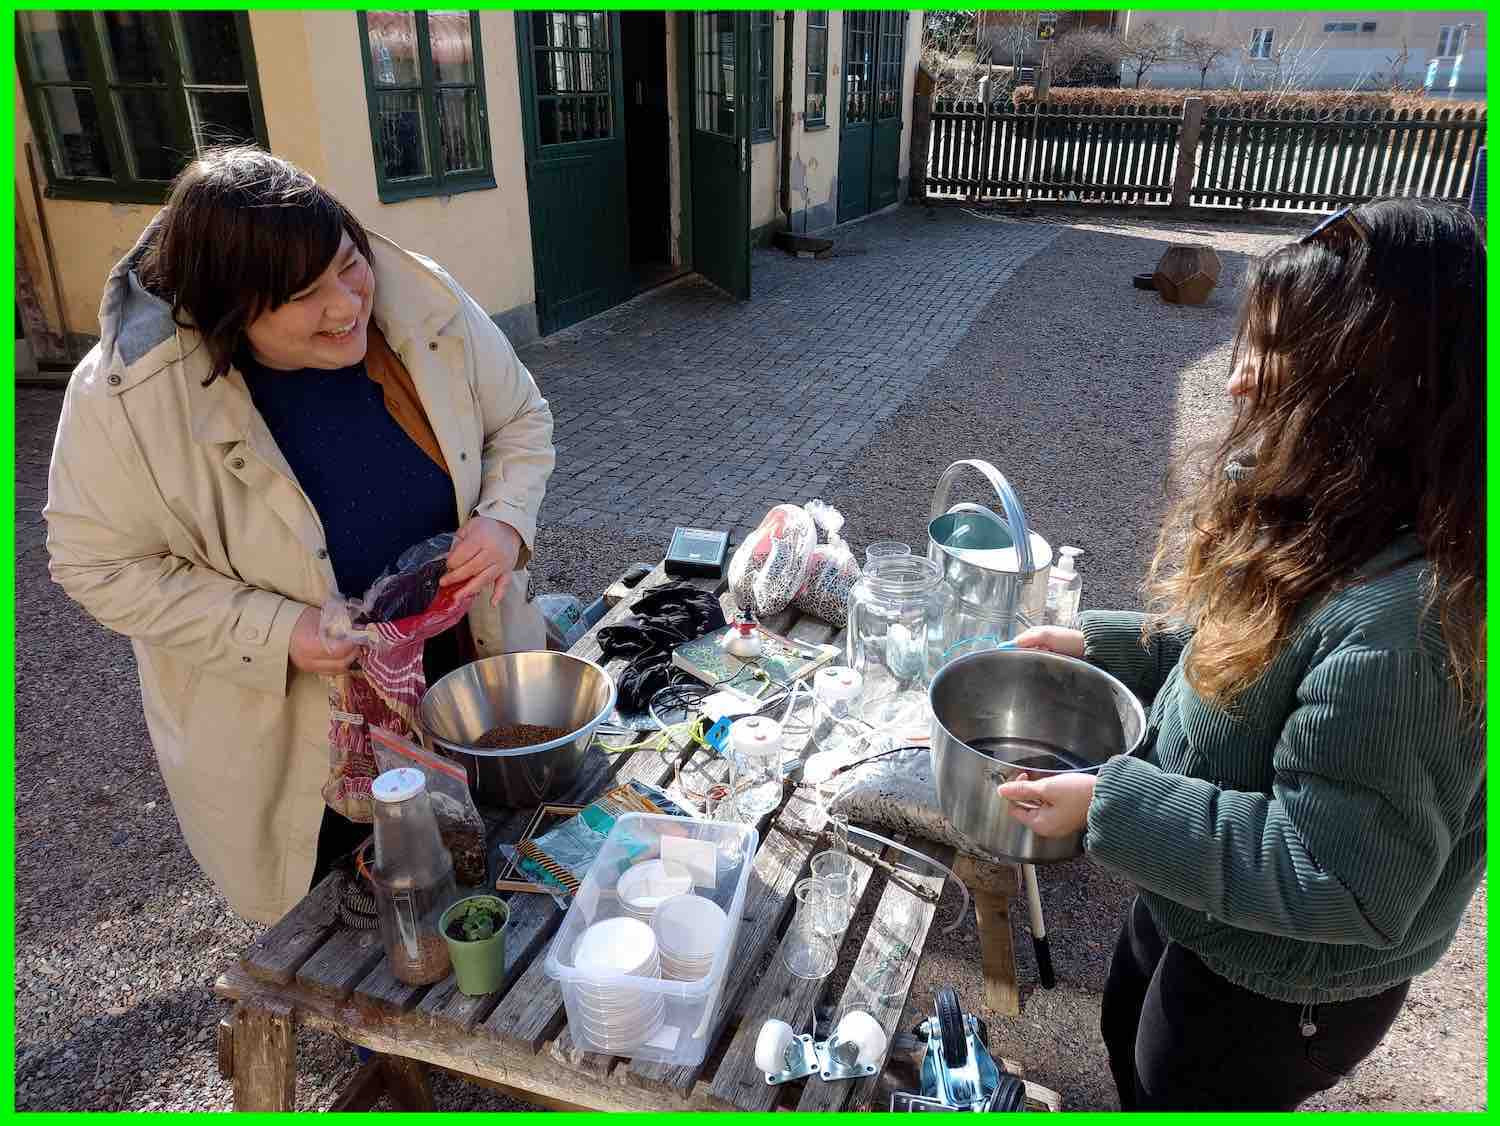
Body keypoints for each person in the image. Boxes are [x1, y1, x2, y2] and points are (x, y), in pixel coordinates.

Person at [1000, 199, 1485, 1111]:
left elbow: (1339, 877)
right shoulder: (1341, 504)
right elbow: (1256, 656)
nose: (1235, 382)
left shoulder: (1407, 628)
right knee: (1127, 1053)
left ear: (1370, 385)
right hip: (1193, 891)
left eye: (1271, 352)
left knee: (1171, 1092)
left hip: (1277, 979)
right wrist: (1102, 648)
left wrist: (1110, 801)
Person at [45, 147, 555, 923]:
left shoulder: (422, 304)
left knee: (484, 862)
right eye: (304, 297)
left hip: (461, 655)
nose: (348, 305)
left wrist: (505, 518)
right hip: (302, 725)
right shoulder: (129, 396)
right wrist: (281, 630)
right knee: (343, 918)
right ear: (230, 308)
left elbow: (521, 420)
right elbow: (94, 564)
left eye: (350, 266)